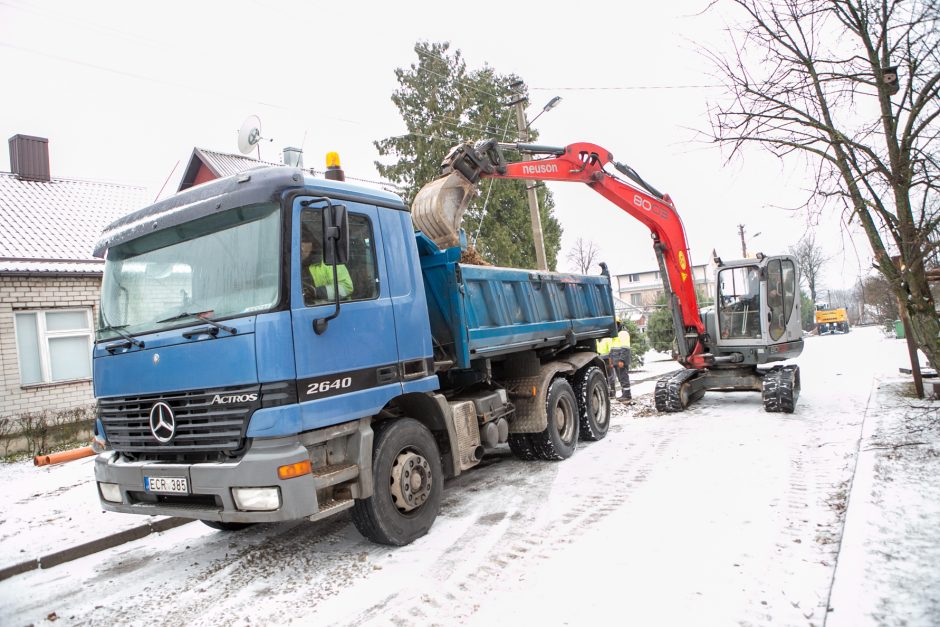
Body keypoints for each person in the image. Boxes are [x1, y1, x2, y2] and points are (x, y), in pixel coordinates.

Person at [301, 225, 353, 304]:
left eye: (304, 241)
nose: (300, 247)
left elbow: (347, 287)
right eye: (296, 242)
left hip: (337, 312)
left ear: (312, 244)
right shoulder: (289, 266)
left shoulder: (329, 260)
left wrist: (316, 292)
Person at [597, 319, 632, 402]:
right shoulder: (615, 336)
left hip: (620, 361)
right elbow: (612, 350)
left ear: (619, 324)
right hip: (616, 361)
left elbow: (625, 348)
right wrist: (612, 361)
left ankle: (627, 394)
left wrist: (621, 360)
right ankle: (625, 393)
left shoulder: (623, 334)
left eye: (616, 324)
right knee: (621, 378)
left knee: (624, 377)